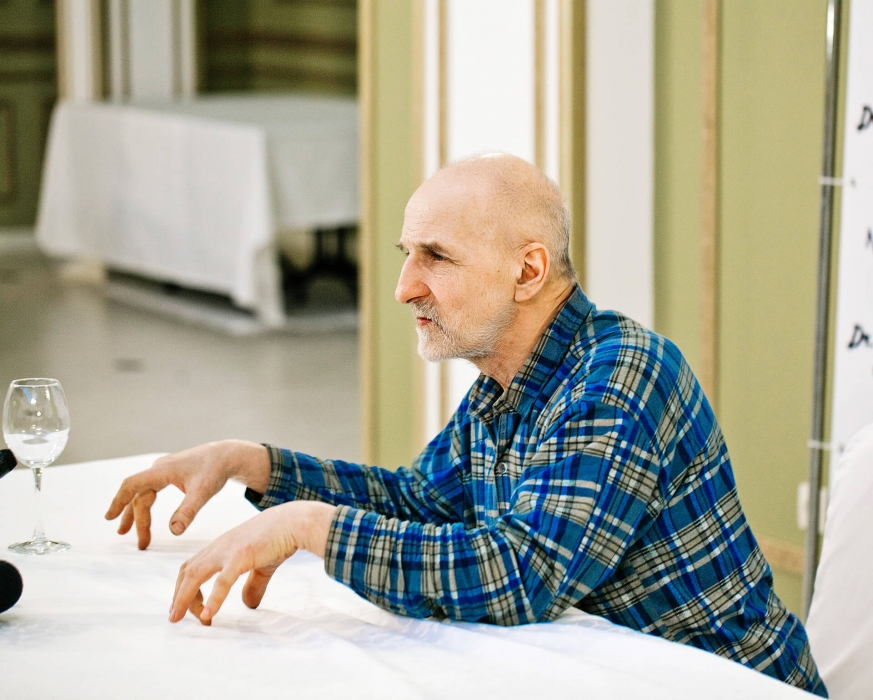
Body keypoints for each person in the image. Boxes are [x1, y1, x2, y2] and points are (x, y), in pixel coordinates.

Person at [105, 154, 826, 696]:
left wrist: (308, 526)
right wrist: (253, 463)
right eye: (407, 255)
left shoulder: (619, 376)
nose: (403, 287)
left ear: (528, 271)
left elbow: (519, 575)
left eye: (437, 257)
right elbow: (421, 501)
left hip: (724, 684)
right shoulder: (507, 381)